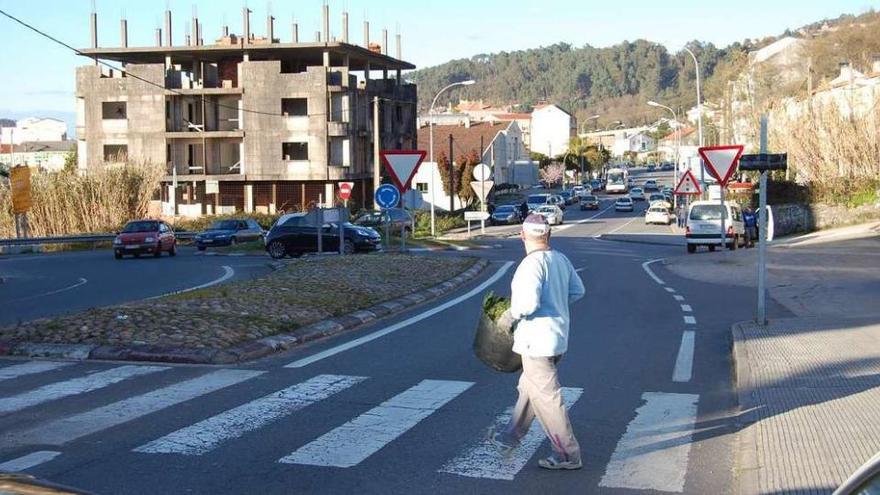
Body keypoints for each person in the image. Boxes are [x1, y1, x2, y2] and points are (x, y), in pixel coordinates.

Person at [490, 214, 586, 470]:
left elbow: (527, 304)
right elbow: (578, 291)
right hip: (557, 340)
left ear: (523, 236)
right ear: (548, 235)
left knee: (548, 399)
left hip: (536, 342)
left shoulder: (530, 265)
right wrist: (556, 305)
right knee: (531, 389)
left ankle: (567, 454)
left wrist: (510, 315)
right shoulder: (560, 259)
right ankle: (508, 436)